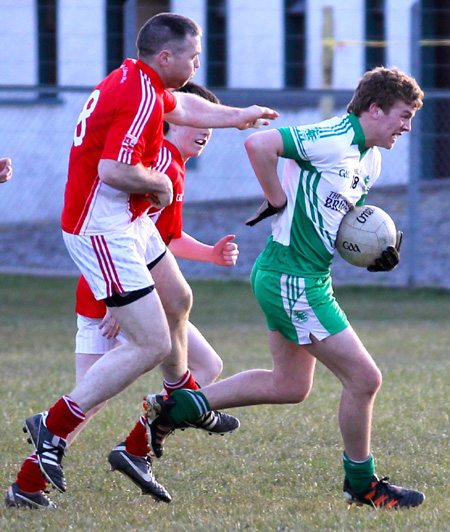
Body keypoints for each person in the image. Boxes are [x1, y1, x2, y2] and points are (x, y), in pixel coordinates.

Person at [5, 12, 278, 509]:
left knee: (179, 297)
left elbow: (185, 107)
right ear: (167, 56)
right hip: (101, 229)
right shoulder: (140, 95)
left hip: (126, 221)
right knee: (151, 342)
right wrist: (161, 183)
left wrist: (238, 115)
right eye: (194, 56)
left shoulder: (140, 78)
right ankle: (53, 425)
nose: (199, 63)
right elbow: (113, 171)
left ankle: (180, 395)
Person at [144, 67, 427, 509]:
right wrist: (276, 197)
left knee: (290, 385)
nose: (407, 127)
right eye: (403, 115)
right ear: (375, 109)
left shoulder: (370, 157)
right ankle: (362, 484)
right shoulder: (334, 136)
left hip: (304, 276)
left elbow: (332, 216)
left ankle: (178, 407)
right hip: (291, 278)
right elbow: (259, 143)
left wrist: (373, 249)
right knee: (364, 379)